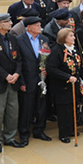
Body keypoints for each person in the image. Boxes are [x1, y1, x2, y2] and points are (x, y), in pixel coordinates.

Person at [0, 13, 24, 153]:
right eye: (7, 21)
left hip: (13, 81)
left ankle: (10, 137)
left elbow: (19, 59)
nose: (11, 23)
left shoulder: (12, 38)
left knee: (13, 111)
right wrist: (6, 76)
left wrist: (17, 74)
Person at [47, 28, 83, 142]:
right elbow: (51, 68)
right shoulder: (57, 50)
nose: (74, 38)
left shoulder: (74, 49)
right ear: (64, 38)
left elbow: (78, 66)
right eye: (71, 36)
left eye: (73, 36)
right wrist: (67, 77)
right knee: (64, 111)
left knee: (73, 108)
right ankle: (63, 133)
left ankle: (72, 129)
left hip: (74, 85)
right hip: (62, 86)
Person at [16, 16, 51, 144]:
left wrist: (46, 69)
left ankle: (39, 130)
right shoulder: (19, 40)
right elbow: (18, 62)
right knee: (26, 108)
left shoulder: (44, 39)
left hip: (42, 78)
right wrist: (21, 82)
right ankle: (24, 133)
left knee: (41, 106)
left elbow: (48, 57)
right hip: (27, 79)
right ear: (29, 27)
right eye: (37, 25)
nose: (40, 27)